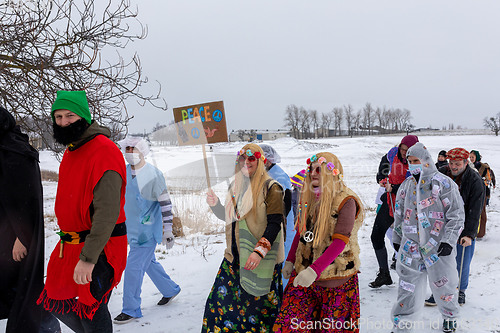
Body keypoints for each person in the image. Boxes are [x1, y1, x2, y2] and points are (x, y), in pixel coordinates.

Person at [37, 91, 128, 333]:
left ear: (84, 116)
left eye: (69, 115)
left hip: (100, 246)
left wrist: (88, 260)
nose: (63, 122)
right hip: (70, 243)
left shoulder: (104, 151)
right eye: (58, 116)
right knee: (56, 300)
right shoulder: (72, 150)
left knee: (92, 310)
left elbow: (107, 213)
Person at [273, 152, 364, 333]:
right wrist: (291, 260)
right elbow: (303, 234)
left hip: (335, 281)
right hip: (303, 277)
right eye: (311, 169)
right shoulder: (309, 198)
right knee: (287, 327)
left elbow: (339, 242)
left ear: (332, 172)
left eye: (319, 169)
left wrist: (314, 271)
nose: (313, 173)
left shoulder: (346, 201)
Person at [202, 144, 285, 333]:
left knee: (260, 316)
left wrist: (259, 252)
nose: (246, 162)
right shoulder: (235, 186)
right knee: (217, 310)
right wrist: (216, 206)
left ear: (261, 161)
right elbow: (232, 219)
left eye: (251, 159)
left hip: (261, 262)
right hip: (234, 260)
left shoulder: (272, 188)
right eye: (242, 158)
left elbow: (275, 224)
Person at [391, 142, 464, 333]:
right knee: (407, 288)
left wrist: (448, 240)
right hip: (411, 248)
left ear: (426, 160)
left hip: (437, 247)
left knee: (444, 285)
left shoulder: (444, 183)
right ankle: (403, 323)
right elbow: (399, 213)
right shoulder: (407, 186)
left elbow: (456, 215)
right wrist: (398, 238)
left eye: (417, 161)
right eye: (410, 161)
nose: (414, 164)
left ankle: (450, 317)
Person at [0, 106, 60, 333]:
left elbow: (28, 199)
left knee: (21, 286)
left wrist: (23, 237)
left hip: (15, 236)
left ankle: (48, 327)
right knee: (11, 286)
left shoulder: (16, 152)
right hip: (4, 231)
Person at [113, 137, 180, 324]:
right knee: (148, 263)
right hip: (131, 229)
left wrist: (168, 229)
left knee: (134, 268)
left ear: (142, 151)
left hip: (148, 231)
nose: (129, 153)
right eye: (126, 149)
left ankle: (131, 309)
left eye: (133, 149)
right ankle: (170, 289)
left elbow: (165, 203)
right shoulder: (124, 173)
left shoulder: (153, 174)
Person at [425, 148, 485, 307]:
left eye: (457, 164)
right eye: (451, 163)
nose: (453, 166)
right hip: (441, 225)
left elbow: (475, 209)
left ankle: (460, 290)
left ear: (466, 162)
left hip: (464, 226)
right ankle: (439, 291)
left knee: (462, 262)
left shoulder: (475, 180)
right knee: (441, 261)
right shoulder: (441, 173)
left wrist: (469, 234)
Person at [369, 135, 419, 288]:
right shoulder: (393, 153)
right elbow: (384, 164)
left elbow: (415, 184)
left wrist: (395, 187)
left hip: (408, 205)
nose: (404, 153)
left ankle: (411, 274)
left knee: (403, 241)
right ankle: (384, 273)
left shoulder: (417, 160)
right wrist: (382, 178)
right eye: (402, 149)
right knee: (376, 236)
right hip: (390, 202)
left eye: (407, 151)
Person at [260, 144, 294, 287]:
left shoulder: (278, 177)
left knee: (281, 259)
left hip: (282, 227)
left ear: (267, 160)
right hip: (274, 225)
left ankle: (283, 293)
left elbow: (283, 207)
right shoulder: (267, 174)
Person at [469, 149, 494, 238]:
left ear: (477, 157)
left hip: (482, 192)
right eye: (470, 157)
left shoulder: (483, 167)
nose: (471, 158)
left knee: (481, 212)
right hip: (471, 192)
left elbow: (488, 179)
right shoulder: (468, 166)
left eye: (473, 157)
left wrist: (480, 182)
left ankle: (481, 233)